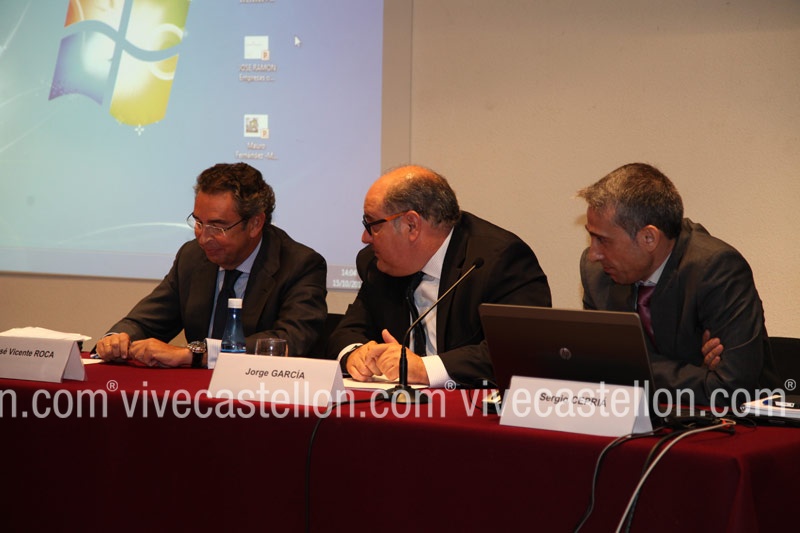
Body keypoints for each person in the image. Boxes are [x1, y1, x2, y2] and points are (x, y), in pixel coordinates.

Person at [327, 164, 551, 388]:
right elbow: (347, 332)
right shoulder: (378, 263)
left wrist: (424, 368)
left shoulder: (498, 260)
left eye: (372, 224)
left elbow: (520, 350)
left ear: (411, 225)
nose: (365, 237)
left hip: (470, 404)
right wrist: (355, 354)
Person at [577, 162, 780, 406]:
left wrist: (629, 366)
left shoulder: (717, 270)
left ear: (649, 238)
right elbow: (596, 371)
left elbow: (731, 387)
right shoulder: (597, 274)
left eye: (602, 240)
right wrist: (696, 369)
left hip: (741, 422)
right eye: (591, 237)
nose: (593, 254)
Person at [95, 162, 327, 367]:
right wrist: (118, 338)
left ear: (255, 224)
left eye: (217, 227)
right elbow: (147, 321)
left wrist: (195, 355)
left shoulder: (300, 265)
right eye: (198, 222)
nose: (204, 238)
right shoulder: (192, 257)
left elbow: (289, 340)